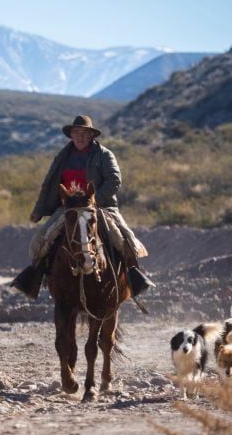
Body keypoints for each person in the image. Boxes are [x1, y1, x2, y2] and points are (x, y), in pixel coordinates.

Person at [11, 114, 154, 299]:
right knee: (40, 240)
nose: (80, 136)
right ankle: (34, 279)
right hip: (67, 208)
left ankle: (135, 278)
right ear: (71, 135)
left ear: (91, 135)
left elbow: (114, 180)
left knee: (123, 238)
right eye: (76, 132)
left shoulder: (104, 155)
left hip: (100, 206)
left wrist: (94, 200)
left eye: (84, 133)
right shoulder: (62, 157)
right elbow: (49, 184)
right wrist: (39, 210)